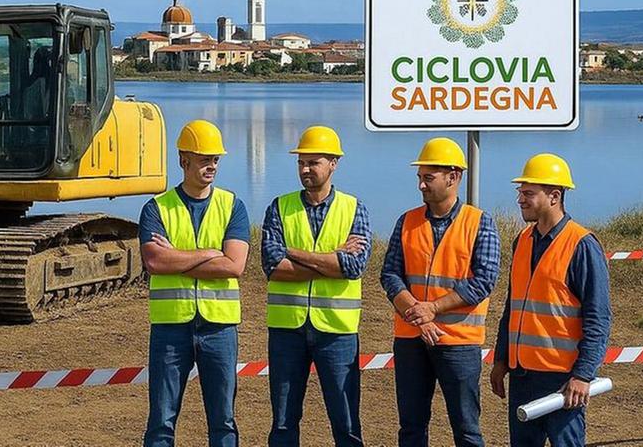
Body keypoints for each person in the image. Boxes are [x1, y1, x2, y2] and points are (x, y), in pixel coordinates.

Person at [380, 137, 500, 447]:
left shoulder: (479, 223)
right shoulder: (406, 221)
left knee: (466, 428)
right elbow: (390, 274)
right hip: (411, 339)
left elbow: (484, 281)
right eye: (420, 177)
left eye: (428, 177)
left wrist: (432, 309)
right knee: (411, 427)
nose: (421, 185)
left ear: (454, 176)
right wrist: (420, 317)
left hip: (458, 342)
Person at [139, 119, 250, 447]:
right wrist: (208, 253)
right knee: (161, 420)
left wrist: (179, 258)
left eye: (215, 159)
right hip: (171, 327)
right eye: (205, 159)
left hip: (220, 328)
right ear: (183, 161)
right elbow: (155, 262)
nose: (212, 165)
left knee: (224, 422)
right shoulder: (156, 208)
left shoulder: (233, 206)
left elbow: (235, 265)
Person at [489, 154, 612, 447]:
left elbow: (599, 318)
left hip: (563, 380)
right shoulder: (522, 240)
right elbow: (513, 307)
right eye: (520, 192)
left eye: (528, 193)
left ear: (554, 196)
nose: (520, 199)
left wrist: (583, 375)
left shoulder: (581, 245)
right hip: (522, 375)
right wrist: (501, 359)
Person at [261, 126, 371, 447]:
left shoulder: (353, 208)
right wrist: (331, 261)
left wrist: (293, 252)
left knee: (346, 423)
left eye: (313, 162)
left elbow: (353, 266)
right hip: (286, 331)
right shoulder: (279, 207)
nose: (305, 169)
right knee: (283, 423)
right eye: (301, 162)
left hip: (336, 332)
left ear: (333, 163)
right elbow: (273, 266)